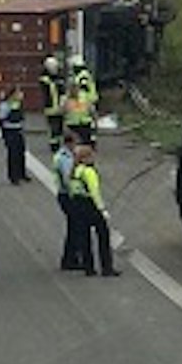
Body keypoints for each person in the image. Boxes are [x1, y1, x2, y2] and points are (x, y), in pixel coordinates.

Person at [67, 143, 119, 277]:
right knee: (103, 235)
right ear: (85, 158)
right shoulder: (89, 172)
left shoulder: (75, 171)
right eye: (91, 155)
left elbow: (71, 190)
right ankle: (106, 267)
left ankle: (88, 268)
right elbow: (95, 192)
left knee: (85, 237)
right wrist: (102, 209)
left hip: (78, 205)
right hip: (90, 205)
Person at [53, 140, 83, 272]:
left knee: (74, 227)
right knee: (76, 227)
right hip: (68, 196)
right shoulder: (65, 158)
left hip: (64, 195)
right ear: (69, 143)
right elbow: (67, 179)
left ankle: (71, 258)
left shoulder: (62, 155)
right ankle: (70, 259)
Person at [0, 87, 28, 183]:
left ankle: (22, 174)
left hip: (18, 130)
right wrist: (3, 134)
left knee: (21, 152)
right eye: (17, 93)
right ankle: (13, 176)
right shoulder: (5, 105)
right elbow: (1, 119)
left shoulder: (18, 104)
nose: (20, 95)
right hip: (10, 131)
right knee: (13, 154)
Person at [68, 54, 99, 147]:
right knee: (91, 122)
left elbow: (83, 88)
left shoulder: (82, 76)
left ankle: (91, 141)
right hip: (88, 99)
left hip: (87, 100)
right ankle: (91, 140)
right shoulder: (83, 74)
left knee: (90, 122)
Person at [39, 56, 68, 154]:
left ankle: (58, 145)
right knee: (54, 128)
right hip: (51, 108)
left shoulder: (58, 79)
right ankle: (54, 146)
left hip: (60, 107)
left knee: (59, 128)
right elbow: (51, 90)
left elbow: (62, 91)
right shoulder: (45, 80)